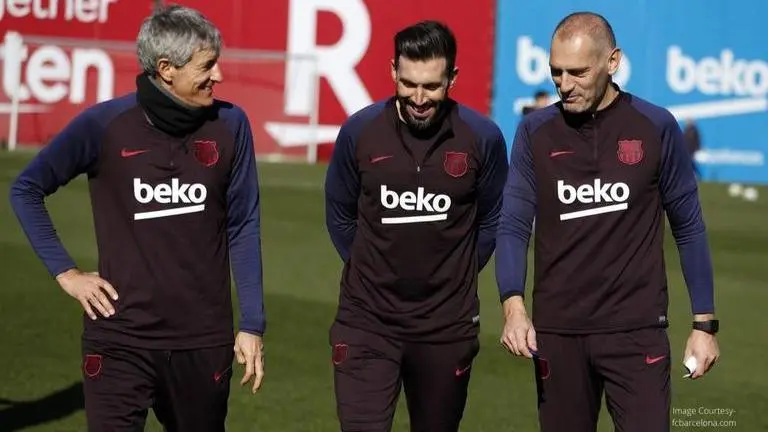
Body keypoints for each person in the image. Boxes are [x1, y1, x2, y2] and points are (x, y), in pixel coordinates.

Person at [9, 5, 265, 431]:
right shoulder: (104, 125)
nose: (218, 76)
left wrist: (253, 324)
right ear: (166, 69)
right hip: (118, 340)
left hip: (202, 343)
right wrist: (66, 273)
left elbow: (243, 223)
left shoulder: (231, 124)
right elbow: (26, 189)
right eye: (207, 65)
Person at [495, 12, 720, 432]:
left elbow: (688, 227)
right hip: (557, 334)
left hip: (637, 333)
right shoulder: (533, 132)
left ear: (612, 61)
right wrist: (513, 306)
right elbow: (512, 223)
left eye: (578, 72)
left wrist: (704, 324)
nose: (564, 84)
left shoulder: (655, 127)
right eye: (556, 72)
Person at [324, 20, 508, 431]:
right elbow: (339, 213)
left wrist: (457, 272)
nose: (419, 98)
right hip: (366, 323)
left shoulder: (483, 138)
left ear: (452, 78)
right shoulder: (359, 131)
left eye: (432, 86)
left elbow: (495, 216)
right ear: (393, 71)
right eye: (408, 84)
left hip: (446, 328)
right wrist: (370, 267)